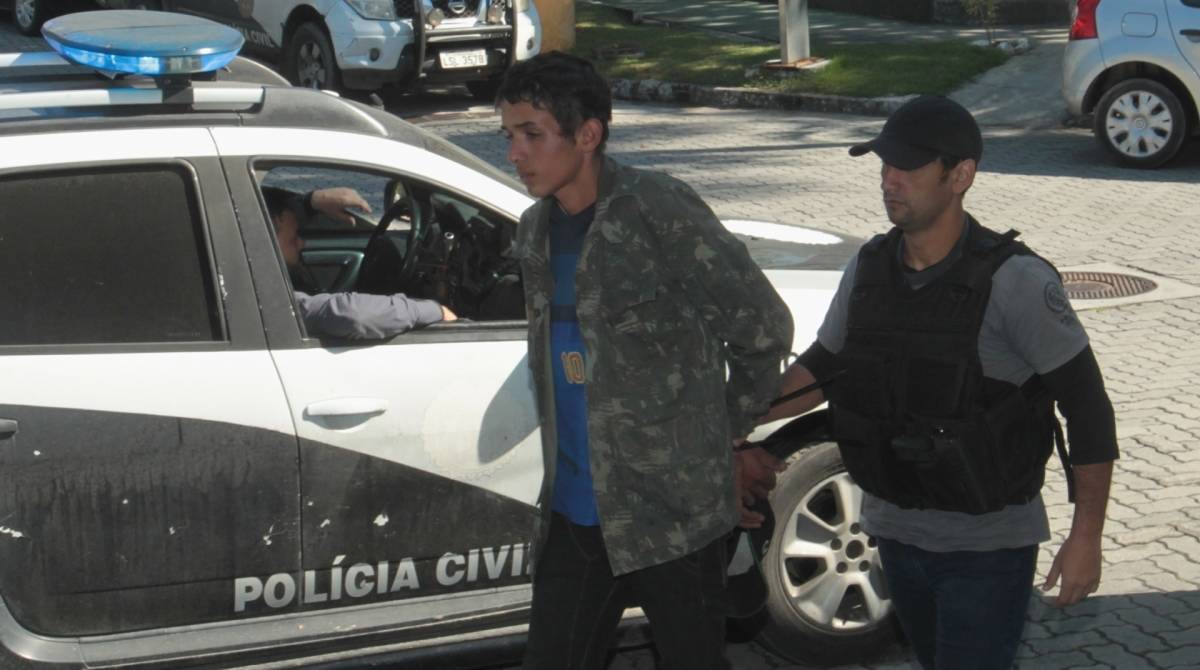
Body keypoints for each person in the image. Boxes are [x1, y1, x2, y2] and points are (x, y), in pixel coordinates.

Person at [757, 95, 1119, 670]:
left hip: (987, 548)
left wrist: (1086, 538)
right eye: (883, 166)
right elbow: (825, 367)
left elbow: (1089, 407)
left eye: (907, 167)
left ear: (961, 176)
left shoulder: (1015, 281)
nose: (889, 180)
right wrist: (740, 416)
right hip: (894, 534)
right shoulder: (870, 268)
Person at [497, 52, 794, 670]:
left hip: (674, 516)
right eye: (509, 136)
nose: (515, 153)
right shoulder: (533, 232)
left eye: (531, 134)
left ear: (588, 135)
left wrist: (720, 434)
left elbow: (762, 327)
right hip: (575, 514)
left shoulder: (657, 208)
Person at [262, 186, 456, 339]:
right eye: (293, 239)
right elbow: (349, 315)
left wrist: (310, 203)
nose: (302, 242)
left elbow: (254, 211)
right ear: (264, 243)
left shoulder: (245, 263)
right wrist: (434, 310)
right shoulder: (265, 298)